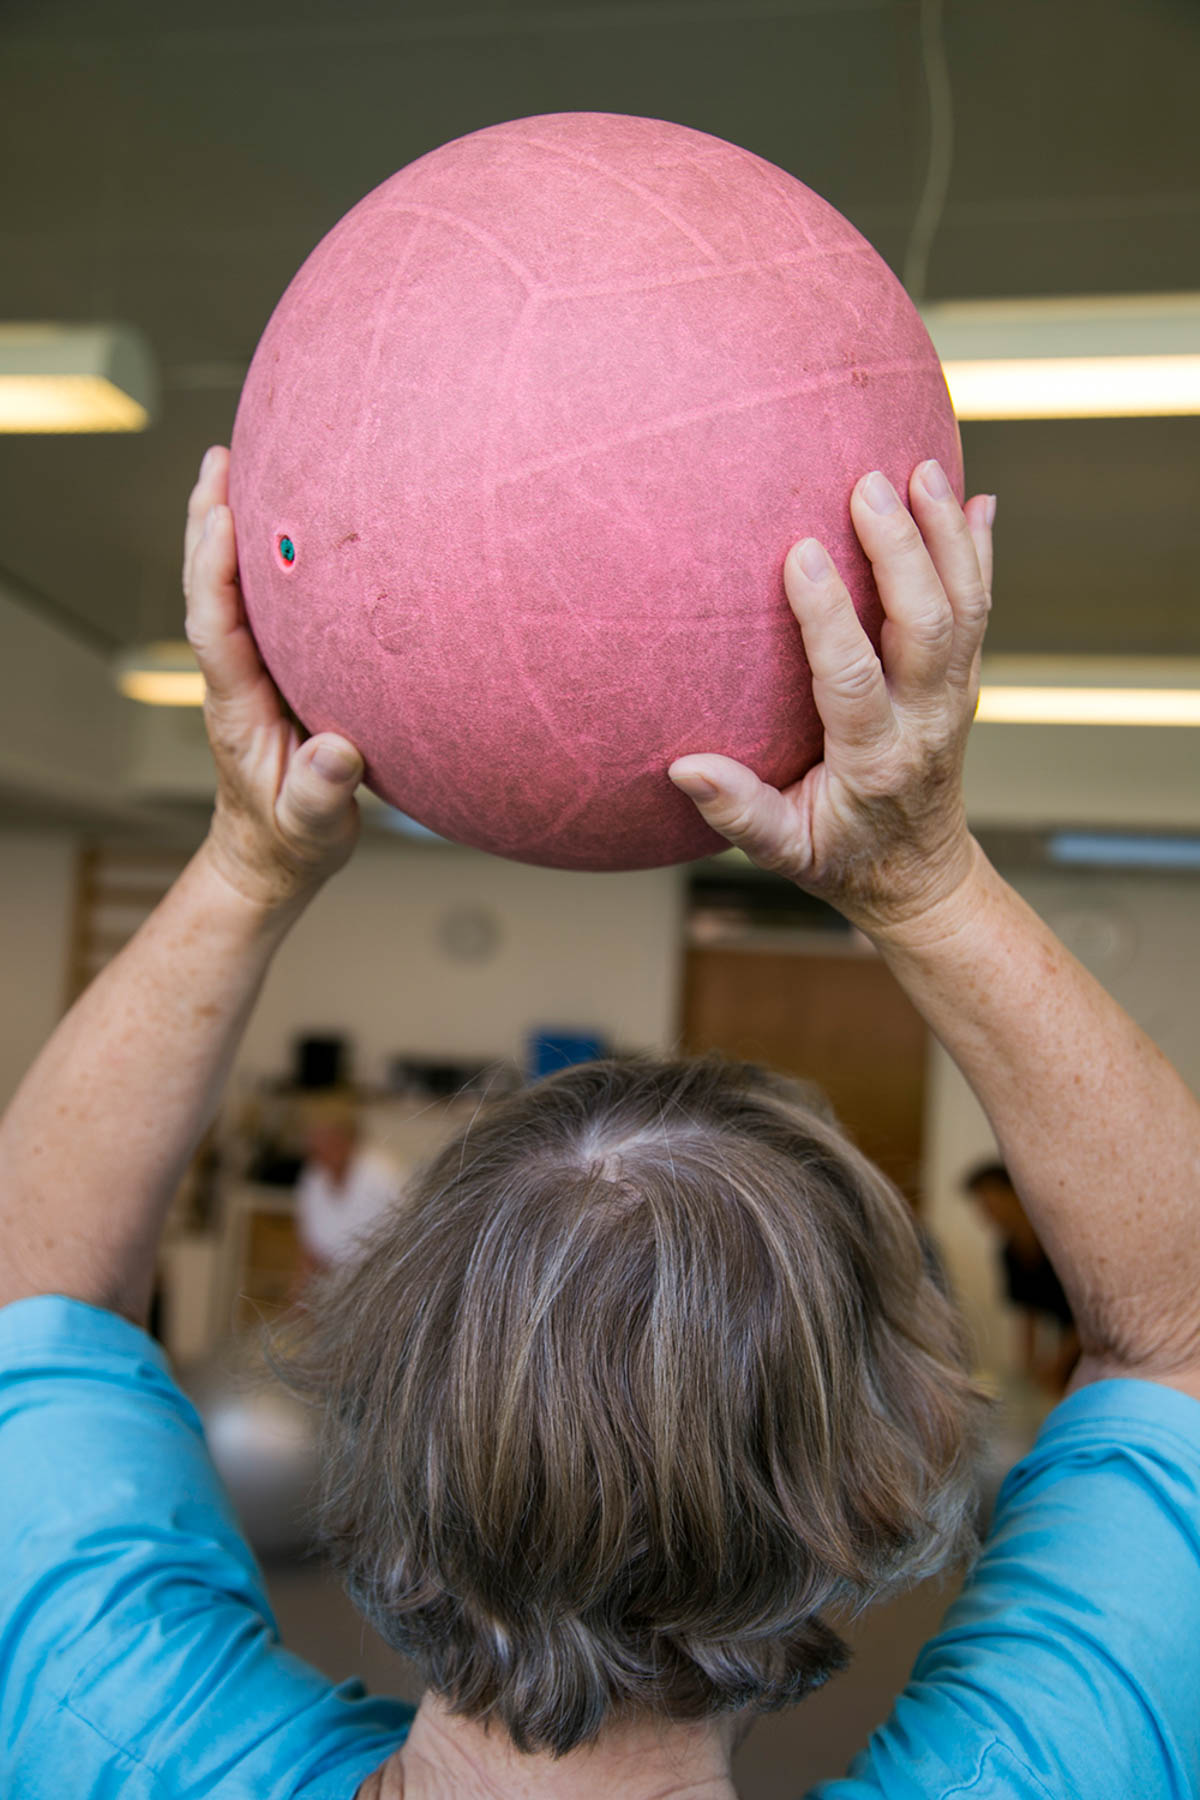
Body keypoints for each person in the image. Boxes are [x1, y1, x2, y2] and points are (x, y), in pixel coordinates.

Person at [1, 448, 1198, 1800]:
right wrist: (920, 879)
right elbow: (1185, 1335)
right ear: (887, 1488)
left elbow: (31, 1280)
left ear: (369, 1431)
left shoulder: (107, 1740)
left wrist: (245, 860)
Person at [963, 1160, 1080, 1393]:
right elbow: (1027, 1315)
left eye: (990, 1202)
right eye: (981, 1205)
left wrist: (1057, 1365)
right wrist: (1026, 1371)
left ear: (1016, 1195)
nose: (986, 1211)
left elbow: (1090, 1317)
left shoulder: (1062, 1242)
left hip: (1092, 1347)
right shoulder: (1009, 1252)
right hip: (1068, 1345)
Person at [292, 1099, 405, 1293]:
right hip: (335, 1291)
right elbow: (310, 1253)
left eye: (329, 1138)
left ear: (348, 1138)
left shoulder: (381, 1174)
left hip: (381, 1288)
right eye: (315, 1140)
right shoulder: (313, 1179)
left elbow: (403, 1242)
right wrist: (299, 1297)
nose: (322, 1147)